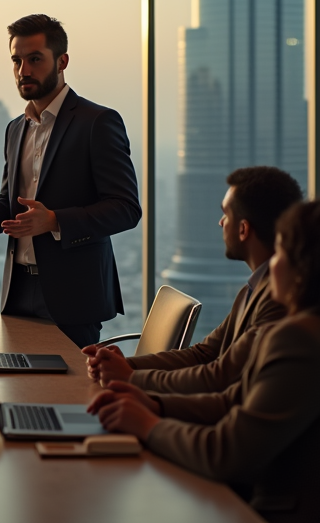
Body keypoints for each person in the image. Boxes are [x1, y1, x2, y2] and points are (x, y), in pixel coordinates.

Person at [88, 199, 320, 523]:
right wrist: (156, 405)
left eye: (280, 252)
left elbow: (226, 454)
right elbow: (233, 400)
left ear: (303, 268)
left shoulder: (301, 340)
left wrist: (148, 425)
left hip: (276, 511)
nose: (272, 263)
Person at [0, 14, 141, 347]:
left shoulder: (98, 122)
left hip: (73, 297)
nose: (23, 70)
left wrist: (53, 221)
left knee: (72, 397)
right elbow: (11, 203)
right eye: (16, 61)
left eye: (35, 59)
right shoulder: (15, 129)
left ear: (62, 61)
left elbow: (125, 209)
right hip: (17, 291)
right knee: (19, 393)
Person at [83, 166, 298, 394]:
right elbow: (204, 354)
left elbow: (220, 377)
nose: (221, 222)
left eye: (226, 214)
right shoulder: (253, 289)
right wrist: (127, 364)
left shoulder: (277, 300)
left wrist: (132, 377)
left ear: (244, 229)